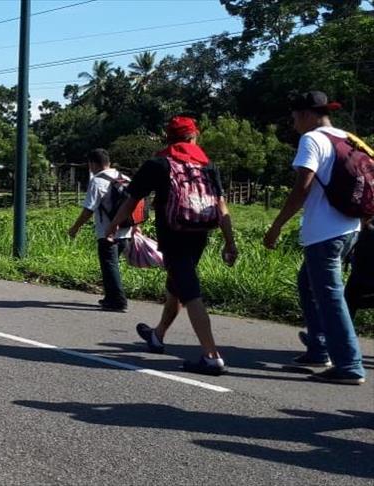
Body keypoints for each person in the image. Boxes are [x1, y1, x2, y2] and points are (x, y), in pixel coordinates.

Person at [105, 116, 238, 376]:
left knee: (189, 291)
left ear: (169, 137)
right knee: (177, 285)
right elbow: (222, 208)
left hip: (174, 235)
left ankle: (211, 356)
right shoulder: (207, 166)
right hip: (199, 233)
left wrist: (113, 227)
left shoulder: (158, 164)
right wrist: (230, 241)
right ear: (193, 136)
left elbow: (132, 200)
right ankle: (157, 335)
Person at [264, 91, 365, 385]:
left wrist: (277, 225)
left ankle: (349, 364)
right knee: (307, 284)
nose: (294, 124)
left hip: (324, 232)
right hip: (349, 228)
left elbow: (302, 188)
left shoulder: (312, 140)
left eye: (295, 118)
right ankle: (319, 347)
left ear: (307, 114)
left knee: (330, 297)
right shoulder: (347, 138)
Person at [68, 148, 132, 312]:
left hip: (107, 231)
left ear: (93, 164)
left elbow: (89, 209)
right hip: (126, 230)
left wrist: (75, 227)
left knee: (109, 265)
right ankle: (110, 298)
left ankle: (118, 301)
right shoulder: (124, 178)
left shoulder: (97, 181)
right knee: (112, 265)